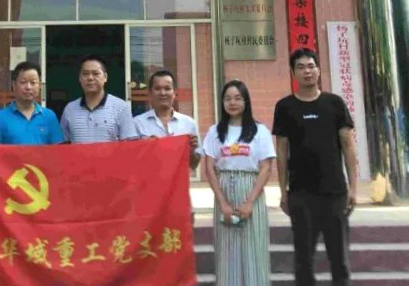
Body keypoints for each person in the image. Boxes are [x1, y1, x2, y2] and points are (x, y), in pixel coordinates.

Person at [273, 48, 358, 286]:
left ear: (319, 70)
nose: (307, 71)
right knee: (303, 262)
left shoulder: (334, 103)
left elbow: (348, 145)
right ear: (293, 73)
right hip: (301, 194)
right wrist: (283, 192)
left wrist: (353, 187)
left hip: (335, 193)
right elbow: (281, 151)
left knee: (339, 260)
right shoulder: (285, 106)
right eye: (300, 67)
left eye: (311, 66)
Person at [202, 79, 275, 286]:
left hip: (251, 189)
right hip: (224, 188)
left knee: (254, 250)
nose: (232, 103)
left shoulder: (260, 131)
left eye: (237, 98)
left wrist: (250, 202)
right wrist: (223, 203)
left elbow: (266, 168)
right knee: (226, 252)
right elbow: (209, 168)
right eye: (227, 99)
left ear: (246, 101)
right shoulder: (215, 132)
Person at [59, 54, 136, 143]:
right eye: (85, 74)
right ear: (79, 78)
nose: (90, 78)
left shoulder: (121, 107)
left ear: (105, 77)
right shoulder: (70, 109)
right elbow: (63, 144)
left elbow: (129, 145)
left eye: (96, 73)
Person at [133, 69, 201, 169]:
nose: (162, 93)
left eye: (167, 88)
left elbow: (194, 165)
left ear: (174, 93)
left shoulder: (188, 123)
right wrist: (146, 148)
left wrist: (191, 150)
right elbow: (131, 162)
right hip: (148, 178)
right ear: (150, 93)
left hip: (179, 179)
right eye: (157, 88)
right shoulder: (137, 123)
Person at [0, 61, 64, 145]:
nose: (28, 87)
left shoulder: (49, 116)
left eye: (33, 83)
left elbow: (58, 149)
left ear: (40, 86)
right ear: (14, 85)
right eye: (23, 82)